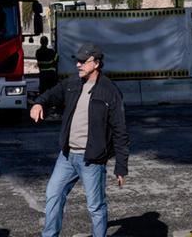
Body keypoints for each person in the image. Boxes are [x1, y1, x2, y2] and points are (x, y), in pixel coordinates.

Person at [30, 43, 130, 237]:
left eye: (83, 61)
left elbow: (120, 131)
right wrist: (38, 103)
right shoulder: (73, 83)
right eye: (77, 60)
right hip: (67, 156)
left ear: (96, 63)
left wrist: (121, 166)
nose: (78, 65)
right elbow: (51, 94)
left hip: (91, 159)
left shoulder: (110, 91)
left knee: (95, 206)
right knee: (53, 194)